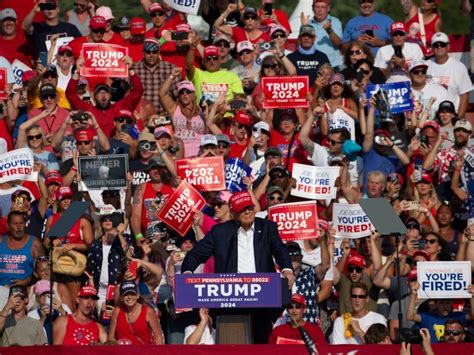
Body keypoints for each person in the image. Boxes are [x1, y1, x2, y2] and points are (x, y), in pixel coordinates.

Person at [181, 191, 294, 343]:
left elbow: (280, 250)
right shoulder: (220, 232)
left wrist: (287, 270)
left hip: (263, 298)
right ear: (233, 212)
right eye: (242, 209)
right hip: (230, 302)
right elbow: (195, 255)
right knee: (232, 345)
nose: (247, 212)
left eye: (250, 207)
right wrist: (188, 273)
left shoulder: (267, 228)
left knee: (261, 345)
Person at [426, 32, 473, 118]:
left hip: (449, 117)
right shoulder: (425, 66)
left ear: (448, 46)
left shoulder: (459, 67)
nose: (439, 47)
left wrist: (458, 118)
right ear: (432, 48)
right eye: (436, 45)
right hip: (428, 117)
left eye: (442, 44)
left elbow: (465, 95)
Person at [107, 280, 163, 345]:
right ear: (121, 298)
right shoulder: (117, 311)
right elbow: (110, 337)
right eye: (126, 294)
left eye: (132, 293)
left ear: (138, 295)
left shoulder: (148, 311)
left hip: (144, 351)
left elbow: (158, 337)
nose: (129, 297)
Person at [135, 38, 180, 115]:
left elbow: (177, 96)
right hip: (141, 116)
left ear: (159, 52)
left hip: (164, 115)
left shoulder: (170, 68)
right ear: (143, 53)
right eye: (148, 52)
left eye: (154, 52)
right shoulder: (135, 68)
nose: (151, 55)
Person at [305, 0, 343, 69]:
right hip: (313, 66)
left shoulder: (335, 21)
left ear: (328, 8)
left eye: (323, 7)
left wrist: (329, 30)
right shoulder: (307, 23)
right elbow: (300, 46)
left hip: (332, 66)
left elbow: (338, 43)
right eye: (317, 7)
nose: (320, 10)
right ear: (312, 8)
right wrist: (304, 27)